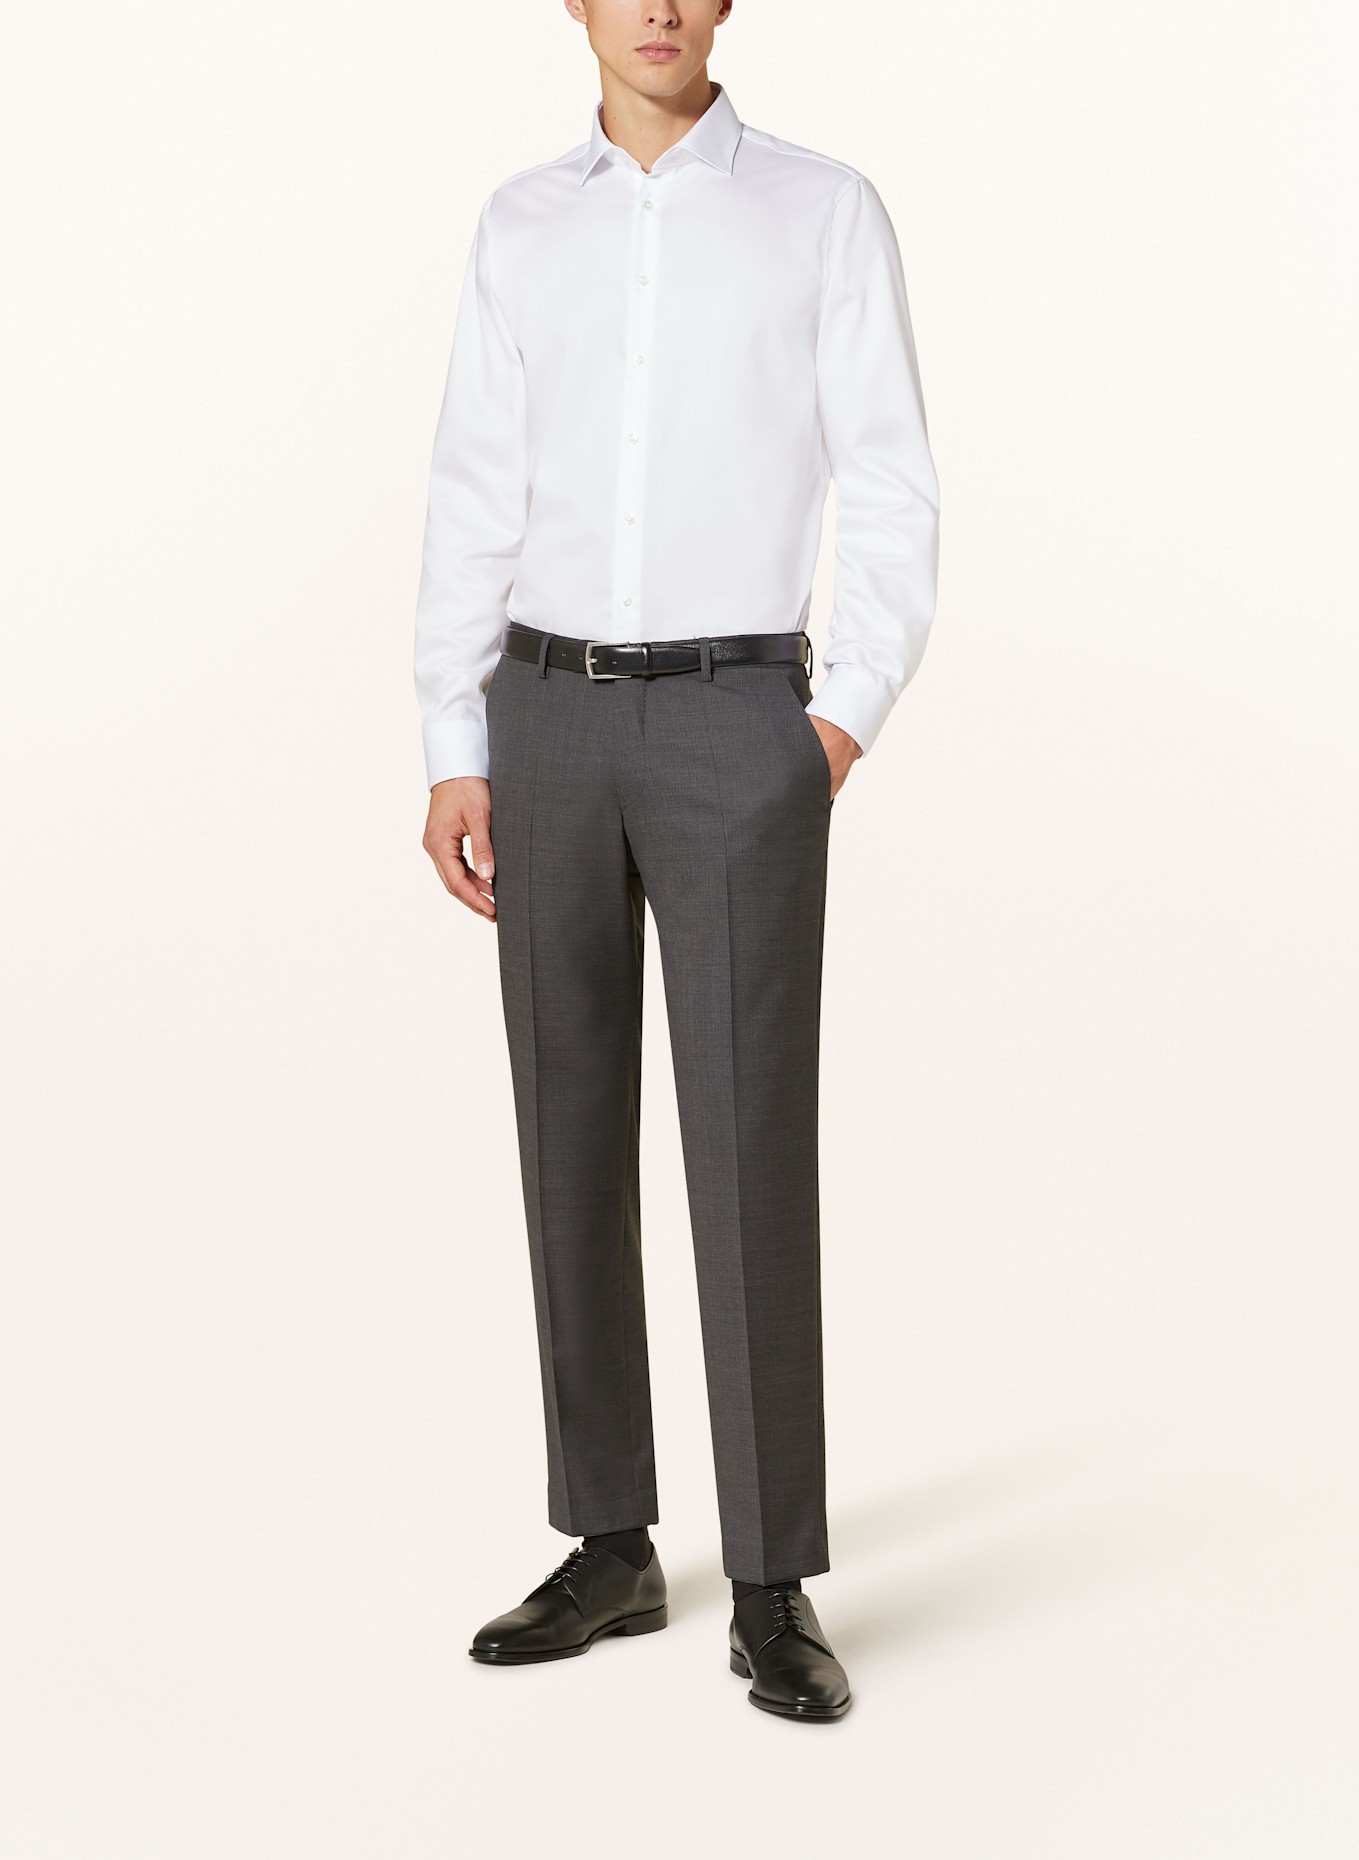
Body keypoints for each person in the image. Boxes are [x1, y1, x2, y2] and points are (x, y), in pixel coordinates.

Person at [413, 0, 938, 1723]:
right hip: (545, 716)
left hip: (736, 721)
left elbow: (891, 480)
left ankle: (771, 1579)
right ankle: (610, 1542)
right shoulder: (520, 224)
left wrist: (832, 727)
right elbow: (475, 487)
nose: (656, 7)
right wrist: (456, 740)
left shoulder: (821, 209)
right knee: (567, 1132)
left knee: (747, 1141)